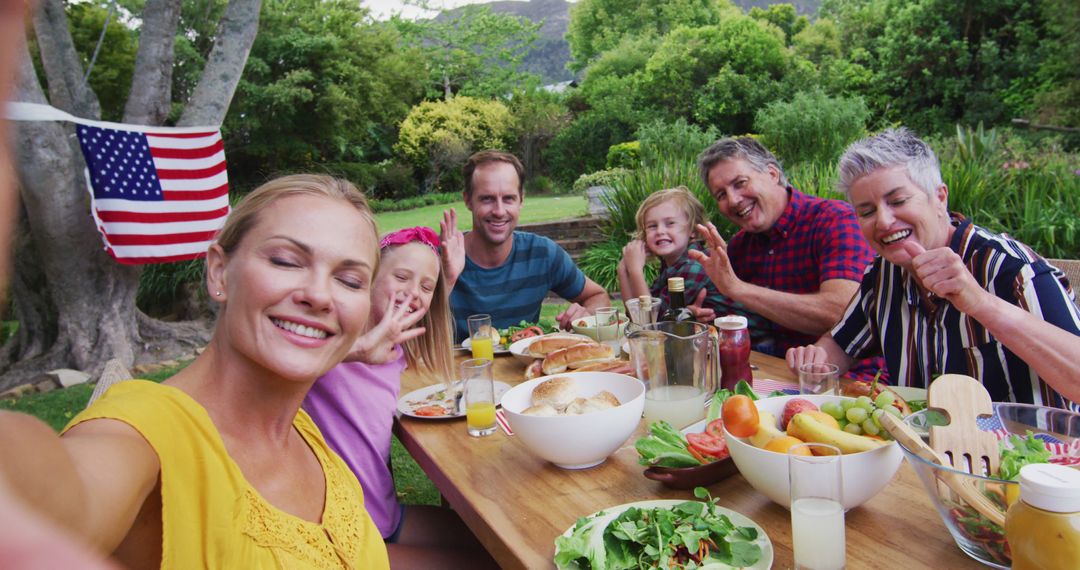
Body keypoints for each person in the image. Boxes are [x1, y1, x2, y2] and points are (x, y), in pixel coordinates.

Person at [0, 175, 390, 568]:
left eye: (349, 280)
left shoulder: (303, 434)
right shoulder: (149, 433)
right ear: (219, 272)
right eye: (285, 261)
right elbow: (66, 492)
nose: (320, 295)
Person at [787, 128, 1080, 407]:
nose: (884, 221)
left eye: (898, 200)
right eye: (867, 211)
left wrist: (981, 303)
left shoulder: (1011, 268)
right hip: (925, 450)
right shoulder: (883, 274)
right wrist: (817, 358)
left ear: (939, 198)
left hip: (1029, 451)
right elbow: (840, 345)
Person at [303, 226, 496, 568]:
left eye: (425, 286)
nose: (413, 293)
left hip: (382, 514)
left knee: (495, 545)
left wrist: (445, 280)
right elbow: (285, 361)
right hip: (341, 537)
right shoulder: (332, 343)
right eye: (402, 277)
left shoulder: (395, 349)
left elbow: (422, 310)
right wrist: (357, 349)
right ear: (369, 278)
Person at [689, 137, 882, 377]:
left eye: (740, 183)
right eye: (721, 195)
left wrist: (737, 289)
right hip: (777, 374)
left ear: (772, 174)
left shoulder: (834, 220)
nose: (733, 200)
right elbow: (743, 316)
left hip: (851, 382)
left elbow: (842, 312)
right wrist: (702, 317)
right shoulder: (740, 246)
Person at [445, 150, 610, 342]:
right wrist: (447, 280)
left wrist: (586, 314)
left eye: (508, 198)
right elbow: (411, 334)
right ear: (468, 200)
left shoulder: (542, 253)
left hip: (526, 369)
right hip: (457, 371)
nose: (499, 211)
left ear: (521, 200)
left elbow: (599, 296)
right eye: (487, 198)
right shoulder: (443, 259)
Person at [617, 186, 757, 324]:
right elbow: (635, 317)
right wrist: (623, 270)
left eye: (670, 223)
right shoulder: (671, 266)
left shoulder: (694, 265)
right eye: (652, 226)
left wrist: (635, 271)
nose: (660, 231)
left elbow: (652, 323)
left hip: (752, 341)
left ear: (693, 231)